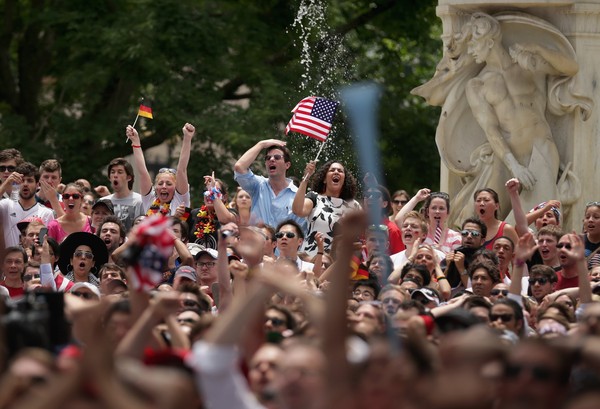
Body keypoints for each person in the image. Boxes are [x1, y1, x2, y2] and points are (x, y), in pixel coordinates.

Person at [233, 139, 306, 231]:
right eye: (268, 158)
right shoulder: (257, 185)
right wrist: (261, 144)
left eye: (277, 157)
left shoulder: (297, 196)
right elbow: (239, 167)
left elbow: (300, 231)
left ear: (287, 165)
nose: (271, 159)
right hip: (257, 244)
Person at [292, 160, 360, 257]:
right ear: (324, 179)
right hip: (311, 261)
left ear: (345, 180)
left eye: (340, 171)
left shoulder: (354, 206)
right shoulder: (314, 198)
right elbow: (297, 210)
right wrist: (306, 178)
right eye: (332, 170)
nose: (336, 172)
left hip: (339, 265)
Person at [126, 123, 193, 216]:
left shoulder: (180, 200)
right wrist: (135, 141)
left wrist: (187, 138)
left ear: (176, 188)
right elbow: (142, 172)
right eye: (160, 183)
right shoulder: (150, 199)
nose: (164, 186)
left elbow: (181, 170)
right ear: (155, 187)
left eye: (169, 184)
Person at [0, 162, 54, 247]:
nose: (25, 184)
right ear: (16, 184)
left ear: (37, 185)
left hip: (31, 260)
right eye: (21, 180)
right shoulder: (6, 205)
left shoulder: (46, 214)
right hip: (8, 259)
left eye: (29, 180)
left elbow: (40, 244)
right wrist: (7, 183)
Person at [395, 189, 461, 255]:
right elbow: (399, 220)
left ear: (448, 213)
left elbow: (454, 263)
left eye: (441, 208)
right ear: (427, 211)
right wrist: (416, 198)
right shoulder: (419, 231)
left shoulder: (455, 237)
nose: (437, 211)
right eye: (434, 208)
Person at [101, 157, 144, 231]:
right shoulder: (103, 202)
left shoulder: (139, 201)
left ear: (129, 177)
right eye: (112, 172)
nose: (115, 175)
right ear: (109, 178)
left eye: (120, 172)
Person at [363, 185, 404, 255]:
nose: (370, 197)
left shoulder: (392, 230)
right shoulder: (356, 228)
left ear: (384, 204)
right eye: (367, 195)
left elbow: (399, 260)